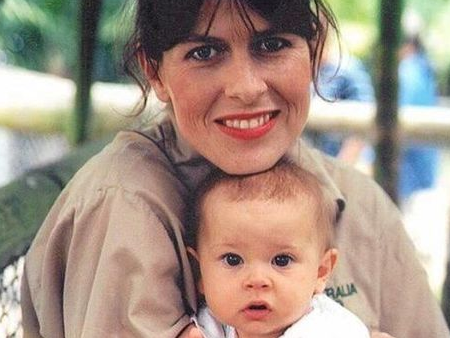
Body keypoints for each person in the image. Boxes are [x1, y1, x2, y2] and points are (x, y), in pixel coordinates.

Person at [20, 1, 448, 338]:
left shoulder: (360, 204)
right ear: (155, 70)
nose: (246, 87)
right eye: (204, 52)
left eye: (272, 45)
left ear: (313, 51)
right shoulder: (124, 208)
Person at [187, 160, 370, 338]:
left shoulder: (332, 330)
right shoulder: (207, 326)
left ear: (321, 271)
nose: (257, 280)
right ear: (199, 272)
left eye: (282, 260)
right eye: (233, 260)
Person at [398, 35, 440, 202]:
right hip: (425, 163)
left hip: (406, 169)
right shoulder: (426, 69)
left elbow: (400, 112)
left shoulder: (406, 72)